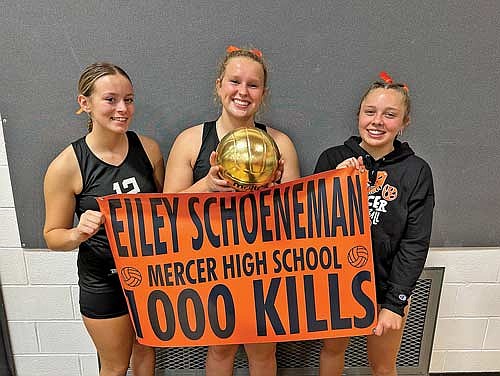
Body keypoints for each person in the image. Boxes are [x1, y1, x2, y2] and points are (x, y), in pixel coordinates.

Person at [163, 46, 301, 376]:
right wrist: (206, 186)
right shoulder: (192, 140)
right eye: (234, 81)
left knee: (263, 348)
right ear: (219, 85)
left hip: (264, 262)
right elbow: (165, 212)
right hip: (210, 264)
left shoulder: (279, 143)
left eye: (253, 85)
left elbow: (297, 216)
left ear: (263, 94)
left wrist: (273, 188)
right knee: (221, 347)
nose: (242, 91)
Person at [43, 62, 164, 376]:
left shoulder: (148, 151)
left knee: (146, 352)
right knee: (114, 365)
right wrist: (78, 233)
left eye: (129, 99)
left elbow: (167, 210)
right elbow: (52, 236)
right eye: (111, 99)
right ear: (85, 103)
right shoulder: (67, 165)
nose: (122, 108)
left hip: (149, 275)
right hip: (104, 280)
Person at [314, 72, 434, 376]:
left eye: (390, 115)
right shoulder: (332, 158)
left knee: (383, 365)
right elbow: (311, 226)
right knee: (332, 350)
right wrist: (334, 183)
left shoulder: (416, 171)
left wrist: (396, 302)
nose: (378, 121)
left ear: (404, 122)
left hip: (387, 285)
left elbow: (415, 242)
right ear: (358, 116)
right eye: (370, 112)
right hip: (337, 281)